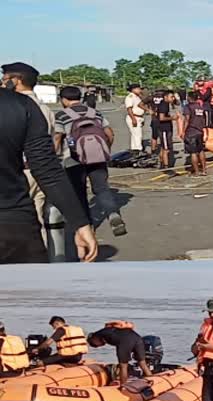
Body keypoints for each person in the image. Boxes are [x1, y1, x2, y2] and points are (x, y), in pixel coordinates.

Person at [0, 88, 97, 264]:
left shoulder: (21, 105)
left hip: (13, 218)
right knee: (26, 288)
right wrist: (80, 222)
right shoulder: (20, 105)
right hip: (12, 223)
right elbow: (47, 168)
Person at [54, 86, 126, 237]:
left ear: (64, 100)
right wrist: (104, 151)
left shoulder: (62, 115)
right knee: (102, 188)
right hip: (98, 157)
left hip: (73, 159)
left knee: (79, 193)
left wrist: (54, 156)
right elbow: (110, 134)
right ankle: (113, 215)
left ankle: (87, 226)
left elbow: (58, 137)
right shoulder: (95, 113)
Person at [2, 62, 56, 246]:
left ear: (15, 81)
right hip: (41, 170)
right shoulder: (45, 108)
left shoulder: (18, 107)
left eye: (4, 80)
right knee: (37, 216)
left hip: (23, 171)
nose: (2, 85)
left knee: (23, 220)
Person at [87, 321, 153, 385]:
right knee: (142, 363)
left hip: (124, 340)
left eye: (95, 345)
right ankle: (153, 381)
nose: (99, 346)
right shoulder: (108, 331)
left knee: (123, 366)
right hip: (137, 338)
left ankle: (123, 386)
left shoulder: (97, 335)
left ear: (93, 339)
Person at [181, 91, 212, 177]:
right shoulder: (200, 107)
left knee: (193, 152)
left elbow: (187, 119)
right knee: (201, 151)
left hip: (191, 131)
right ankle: (204, 170)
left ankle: (197, 172)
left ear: (189, 98)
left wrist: (183, 131)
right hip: (200, 131)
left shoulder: (188, 107)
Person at [155, 90, 178, 169]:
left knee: (163, 147)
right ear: (165, 97)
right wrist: (172, 118)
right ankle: (166, 166)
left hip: (166, 128)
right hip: (164, 129)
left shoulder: (166, 104)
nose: (173, 98)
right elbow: (161, 118)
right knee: (166, 148)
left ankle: (162, 163)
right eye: (171, 97)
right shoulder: (163, 105)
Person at [125, 84, 147, 154]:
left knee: (135, 135)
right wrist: (133, 119)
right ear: (133, 89)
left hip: (138, 117)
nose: (140, 90)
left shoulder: (137, 97)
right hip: (134, 117)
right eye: (138, 89)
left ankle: (134, 150)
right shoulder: (130, 97)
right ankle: (138, 150)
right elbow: (129, 109)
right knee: (137, 135)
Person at [149, 90, 165, 154]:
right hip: (160, 119)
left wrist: (149, 109)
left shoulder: (151, 97)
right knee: (161, 136)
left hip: (155, 119)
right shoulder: (165, 97)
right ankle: (162, 150)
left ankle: (153, 151)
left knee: (154, 136)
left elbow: (141, 103)